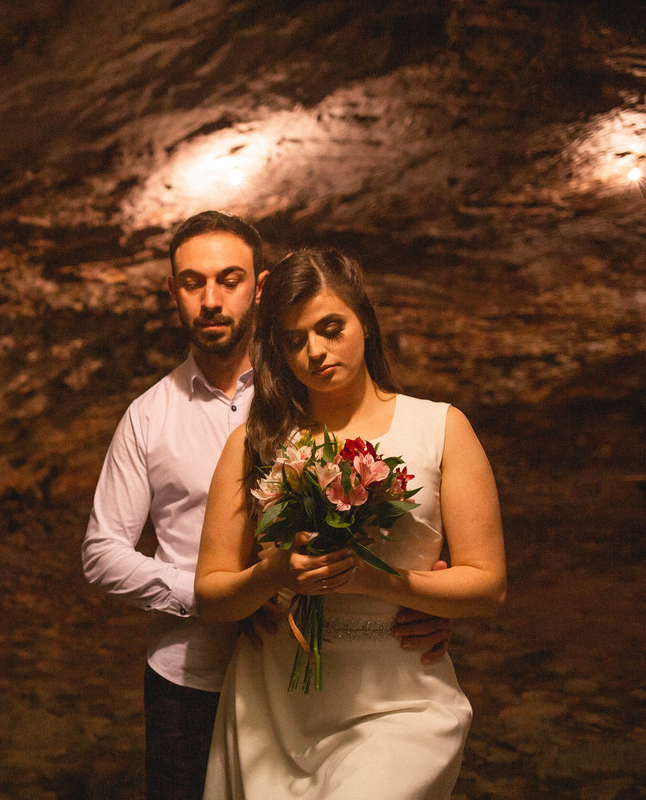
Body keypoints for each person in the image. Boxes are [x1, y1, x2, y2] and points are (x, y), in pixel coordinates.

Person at [82, 213, 453, 800]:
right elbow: (102, 552)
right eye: (192, 283)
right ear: (172, 291)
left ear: (260, 286)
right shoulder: (148, 416)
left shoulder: (316, 389)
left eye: (228, 280)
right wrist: (220, 594)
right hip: (192, 673)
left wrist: (423, 596)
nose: (210, 299)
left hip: (315, 679)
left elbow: (399, 490)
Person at [195, 247, 506, 800]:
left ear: (365, 320)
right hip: (273, 700)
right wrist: (272, 575)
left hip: (401, 697)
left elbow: (488, 586)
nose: (315, 351)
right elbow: (211, 596)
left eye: (331, 328)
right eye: (294, 340)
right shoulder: (256, 442)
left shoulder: (440, 428)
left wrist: (375, 580)